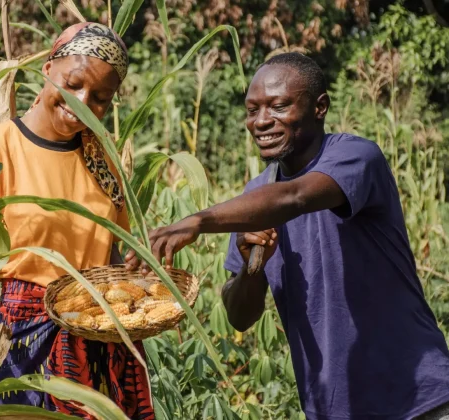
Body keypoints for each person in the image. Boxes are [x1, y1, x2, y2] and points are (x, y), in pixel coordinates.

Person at [125, 52, 449, 419]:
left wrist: (196, 222)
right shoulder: (256, 196)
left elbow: (294, 197)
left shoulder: (356, 157)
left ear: (319, 107)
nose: (262, 121)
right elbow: (239, 317)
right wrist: (251, 268)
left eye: (278, 106)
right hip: (334, 408)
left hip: (418, 398)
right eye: (252, 110)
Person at [0, 22, 154, 419]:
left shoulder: (103, 160)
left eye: (101, 98)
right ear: (49, 68)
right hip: (21, 344)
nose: (83, 102)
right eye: (73, 84)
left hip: (98, 338)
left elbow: (113, 253)